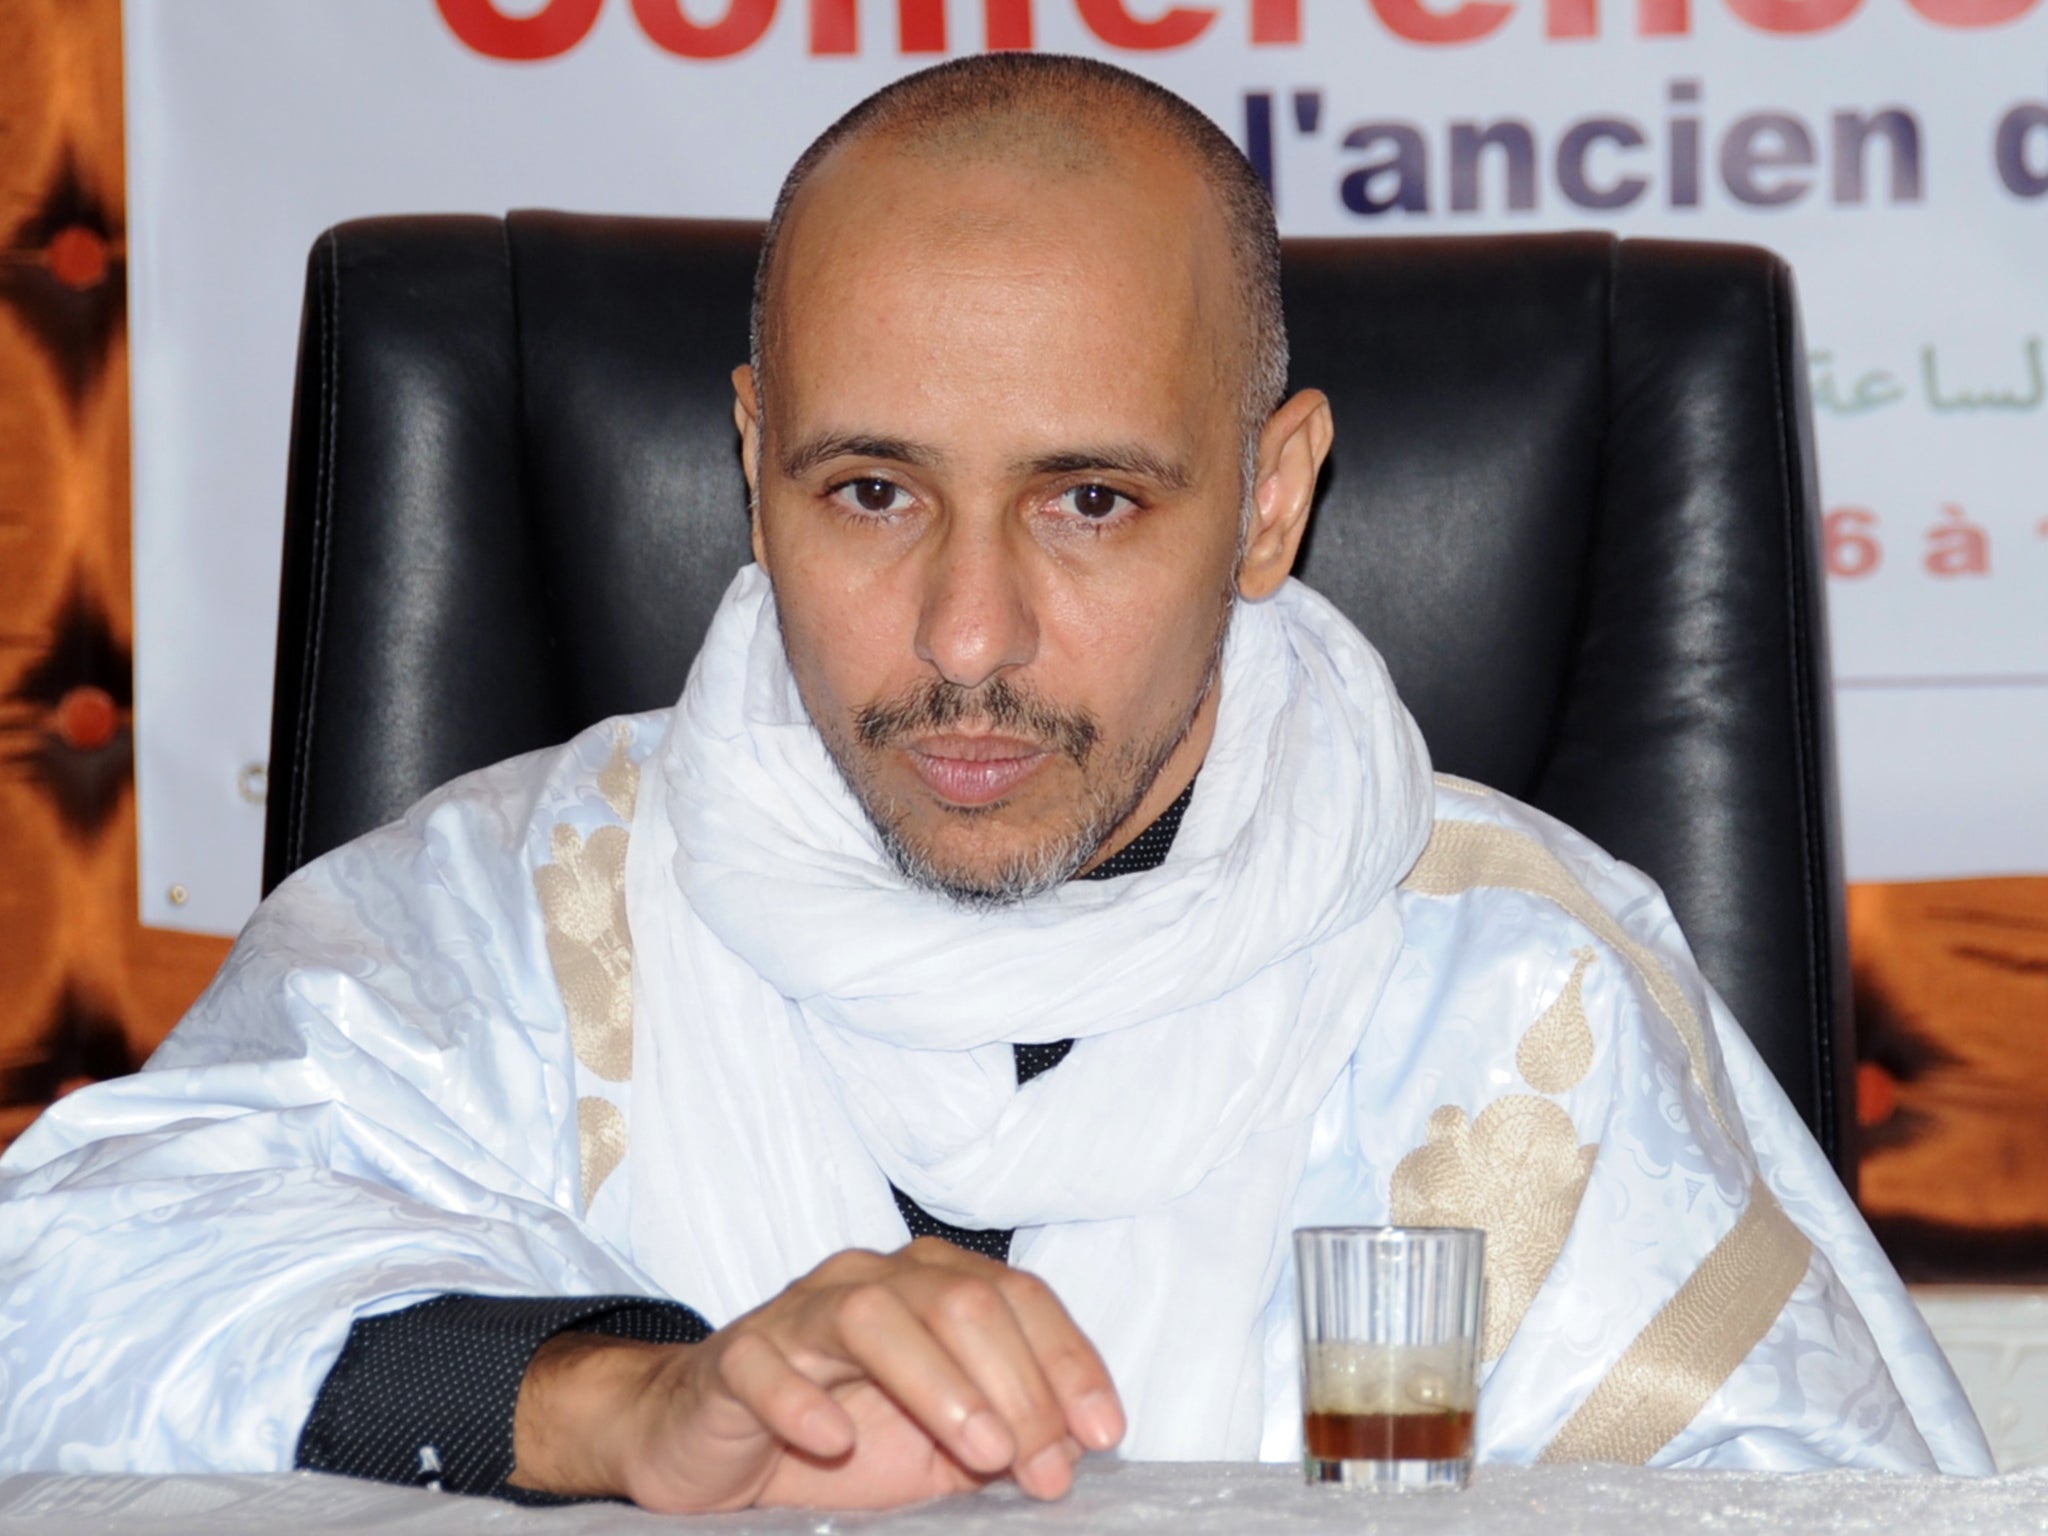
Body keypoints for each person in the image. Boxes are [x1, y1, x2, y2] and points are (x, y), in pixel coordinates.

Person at [0, 53, 1991, 1511]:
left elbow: (1818, 1503)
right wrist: (628, 1402)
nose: (966, 636)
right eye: (869, 493)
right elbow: (65, 1290)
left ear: (1272, 497)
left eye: (1090, 503)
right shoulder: (529, 908)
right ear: (745, 457)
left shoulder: (1511, 1001)